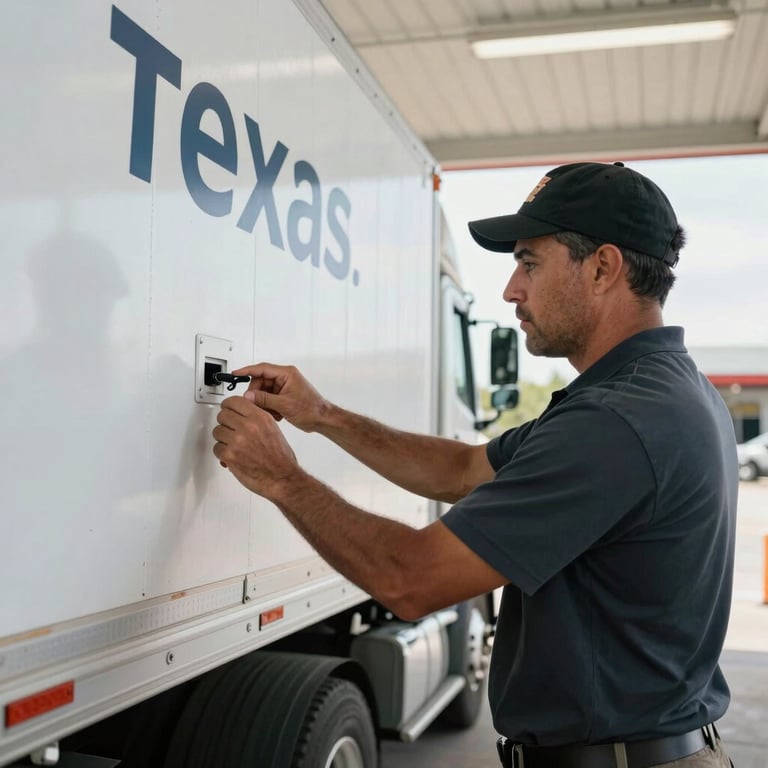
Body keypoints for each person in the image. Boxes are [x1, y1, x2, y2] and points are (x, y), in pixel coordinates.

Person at [212, 161, 737, 768]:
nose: (512, 289)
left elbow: (410, 579)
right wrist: (322, 413)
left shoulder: (616, 423)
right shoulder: (664, 391)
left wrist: (282, 478)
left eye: (529, 262)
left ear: (603, 267)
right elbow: (460, 470)